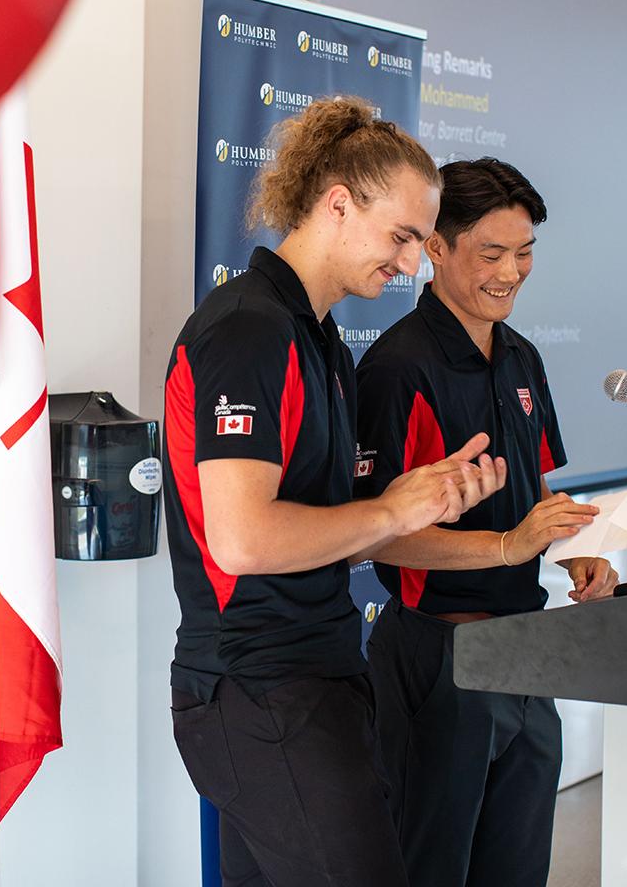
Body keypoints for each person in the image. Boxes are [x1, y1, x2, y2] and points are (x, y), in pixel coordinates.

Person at [162, 98, 516, 887]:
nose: (413, 264)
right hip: (258, 692)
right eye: (401, 238)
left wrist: (423, 500)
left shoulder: (316, 339)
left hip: (313, 678)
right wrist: (391, 509)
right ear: (336, 204)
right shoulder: (248, 330)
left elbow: (341, 522)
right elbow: (243, 539)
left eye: (420, 244)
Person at [355, 157, 614, 886]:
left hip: (525, 651)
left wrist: (577, 552)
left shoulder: (522, 358)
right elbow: (380, 533)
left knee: (518, 865)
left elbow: (540, 496)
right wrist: (508, 546)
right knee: (434, 866)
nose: (512, 271)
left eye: (524, 252)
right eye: (491, 253)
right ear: (435, 248)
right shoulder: (397, 370)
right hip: (441, 655)